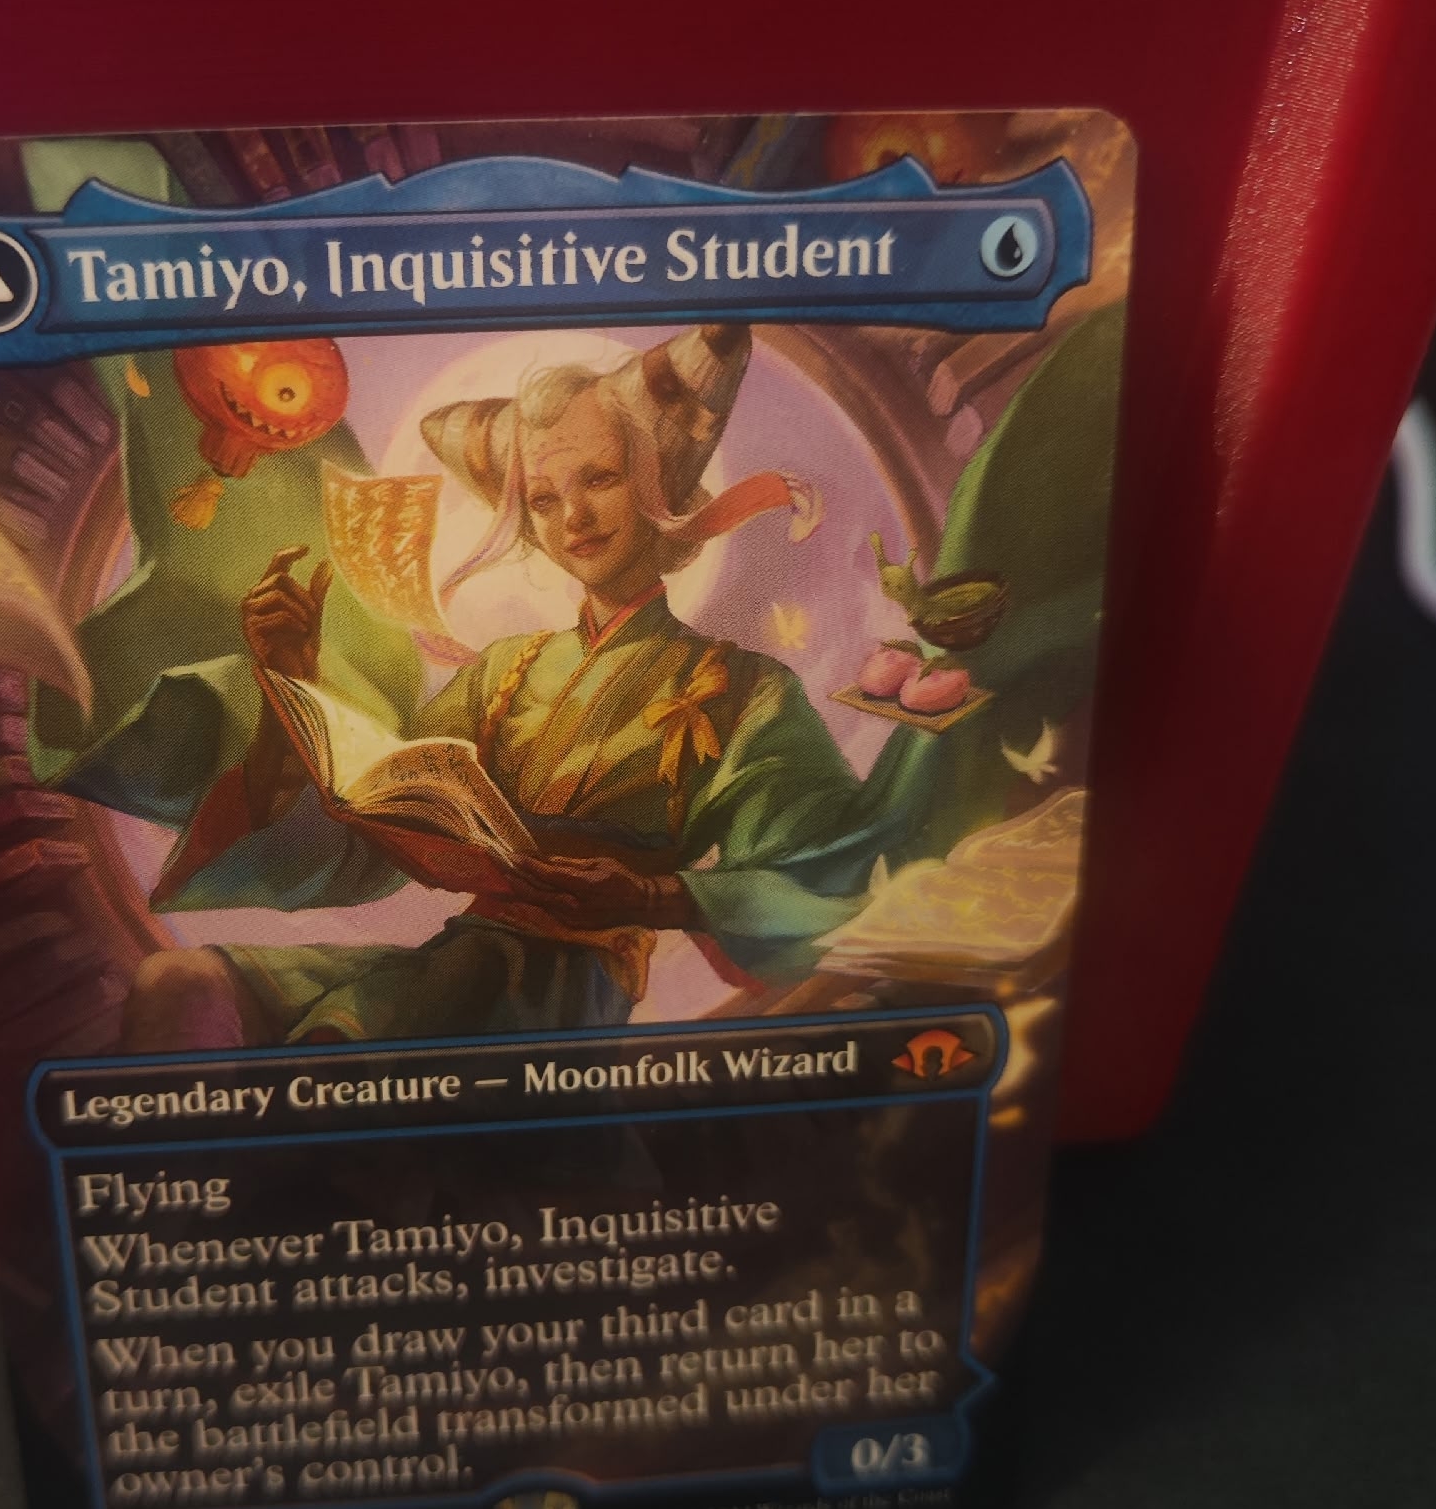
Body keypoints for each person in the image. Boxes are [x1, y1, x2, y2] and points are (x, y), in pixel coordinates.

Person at [123, 324, 876, 1051]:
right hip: (460, 956)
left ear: (660, 485)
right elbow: (373, 822)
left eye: (600, 479)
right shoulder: (501, 669)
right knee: (182, 983)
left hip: (557, 993)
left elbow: (827, 878)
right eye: (543, 499)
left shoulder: (746, 689)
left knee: (338, 1051)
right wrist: (292, 683)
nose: (573, 517)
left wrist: (655, 898)